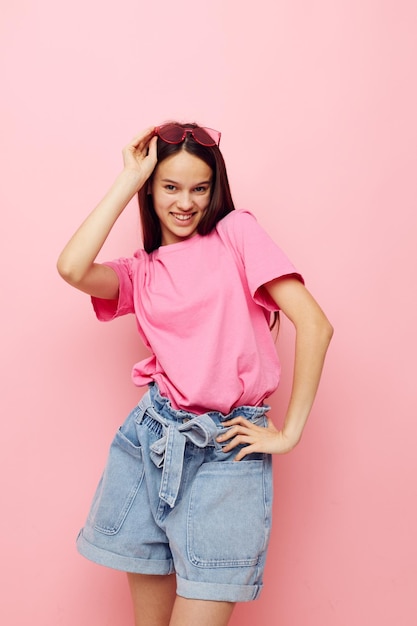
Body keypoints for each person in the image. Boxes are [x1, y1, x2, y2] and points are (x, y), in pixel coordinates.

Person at [57, 122, 333, 626]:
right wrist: (128, 178)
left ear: (215, 190)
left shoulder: (236, 234)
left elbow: (315, 324)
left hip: (228, 451)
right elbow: (73, 268)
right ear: (151, 189)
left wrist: (289, 432)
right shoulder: (140, 271)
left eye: (199, 188)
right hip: (151, 442)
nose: (186, 202)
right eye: (170, 186)